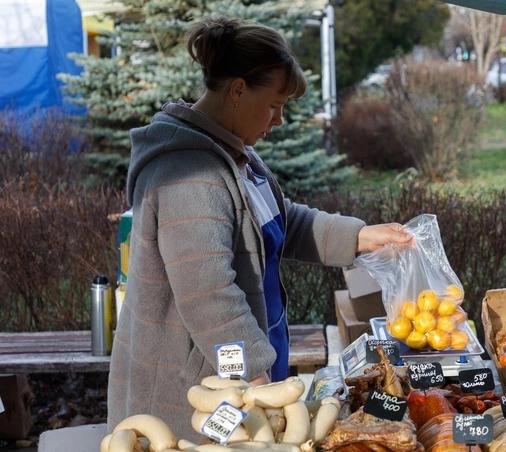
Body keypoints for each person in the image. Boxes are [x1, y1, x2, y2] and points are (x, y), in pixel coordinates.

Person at [107, 16, 412, 441]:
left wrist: (359, 237)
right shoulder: (189, 175)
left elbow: (280, 220)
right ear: (236, 91)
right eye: (274, 105)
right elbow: (208, 292)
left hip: (247, 375)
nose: (280, 120)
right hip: (195, 395)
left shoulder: (233, 154)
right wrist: (253, 374)